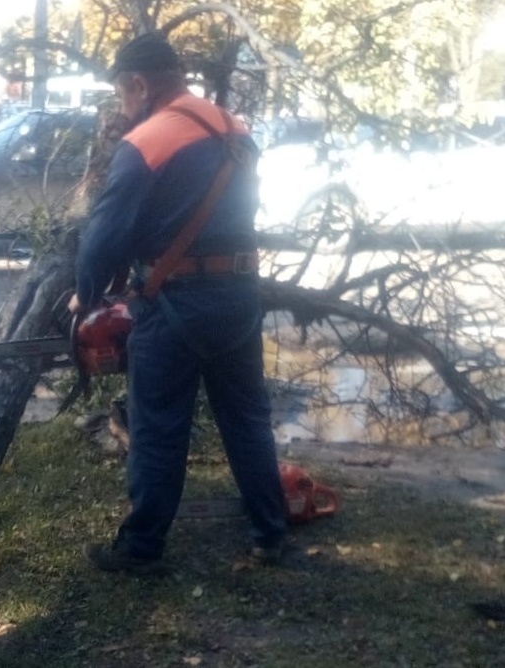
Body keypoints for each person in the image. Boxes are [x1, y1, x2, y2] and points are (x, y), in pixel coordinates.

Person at [70, 32, 288, 575]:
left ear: (139, 84)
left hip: (174, 305)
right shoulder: (234, 128)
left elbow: (104, 234)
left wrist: (86, 294)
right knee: (247, 418)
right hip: (240, 296)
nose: (123, 107)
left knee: (158, 426)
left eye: (122, 94)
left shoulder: (147, 141)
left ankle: (141, 549)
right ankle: (270, 532)